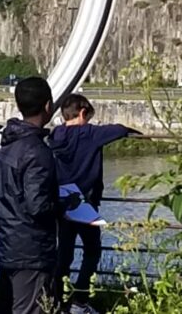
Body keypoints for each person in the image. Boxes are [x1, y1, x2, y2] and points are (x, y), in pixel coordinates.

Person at [0, 77, 77, 314]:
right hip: (30, 249)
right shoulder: (37, 151)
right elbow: (38, 206)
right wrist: (65, 205)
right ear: (48, 106)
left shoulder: (7, 146)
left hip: (6, 243)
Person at [50, 94, 140, 314]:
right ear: (82, 113)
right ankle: (79, 301)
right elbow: (118, 129)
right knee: (92, 251)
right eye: (88, 116)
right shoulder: (91, 134)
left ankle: (56, 302)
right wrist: (131, 130)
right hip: (84, 203)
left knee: (64, 253)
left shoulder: (55, 135)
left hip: (61, 200)